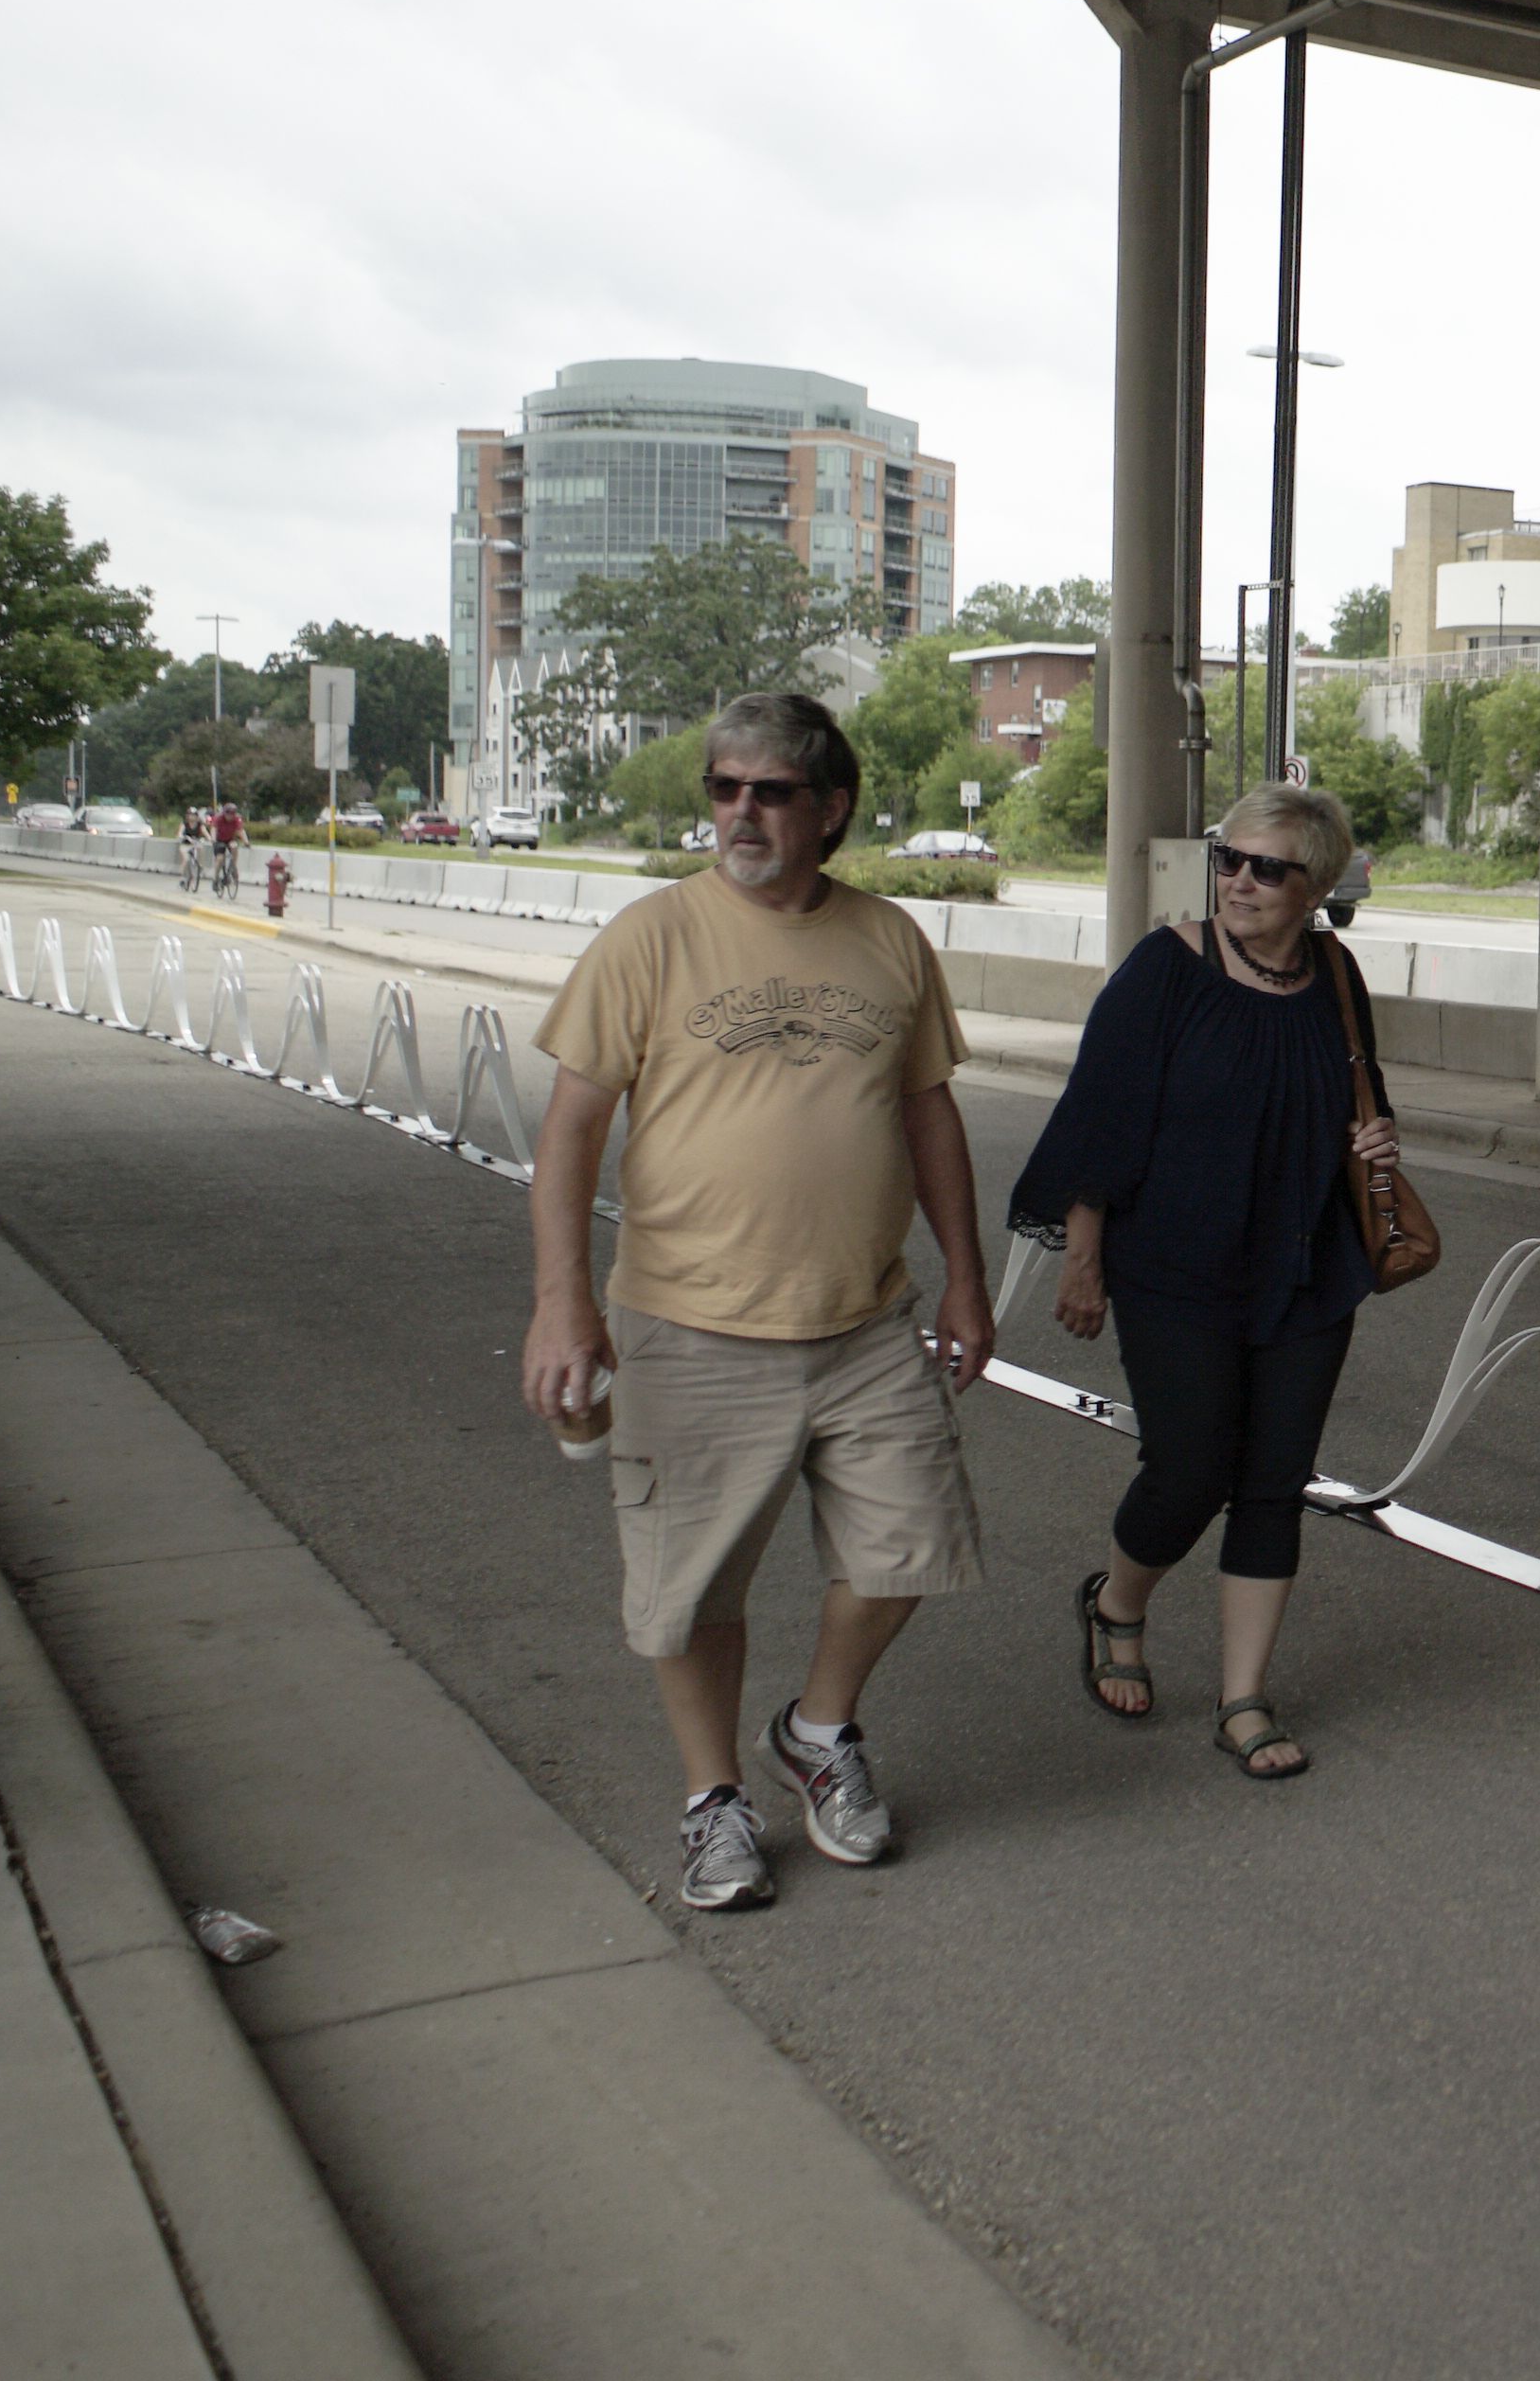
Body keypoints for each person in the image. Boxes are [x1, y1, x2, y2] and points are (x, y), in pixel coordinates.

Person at [519, 692, 997, 1913]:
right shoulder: (651, 938)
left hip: (867, 1321)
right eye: (724, 788)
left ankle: (817, 1730)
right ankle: (713, 1799)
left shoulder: (890, 940)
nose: (740, 812)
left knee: (911, 1550)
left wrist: (966, 1274)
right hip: (689, 1323)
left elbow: (927, 1112)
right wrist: (562, 1305)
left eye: (770, 792)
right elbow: (571, 1131)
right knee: (692, 1591)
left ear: (830, 809)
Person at [1010, 783, 1394, 1780]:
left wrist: (1373, 1138)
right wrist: (1083, 1262)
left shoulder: (1337, 976)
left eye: (1267, 867)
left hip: (1305, 1265)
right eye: (1228, 858)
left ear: (1315, 886)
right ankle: (1116, 1605)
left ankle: (1243, 1699)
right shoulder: (1166, 970)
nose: (1238, 881)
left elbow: (1362, 1099)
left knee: (1273, 1482)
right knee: (1189, 1471)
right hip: (1174, 1266)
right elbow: (1099, 1123)